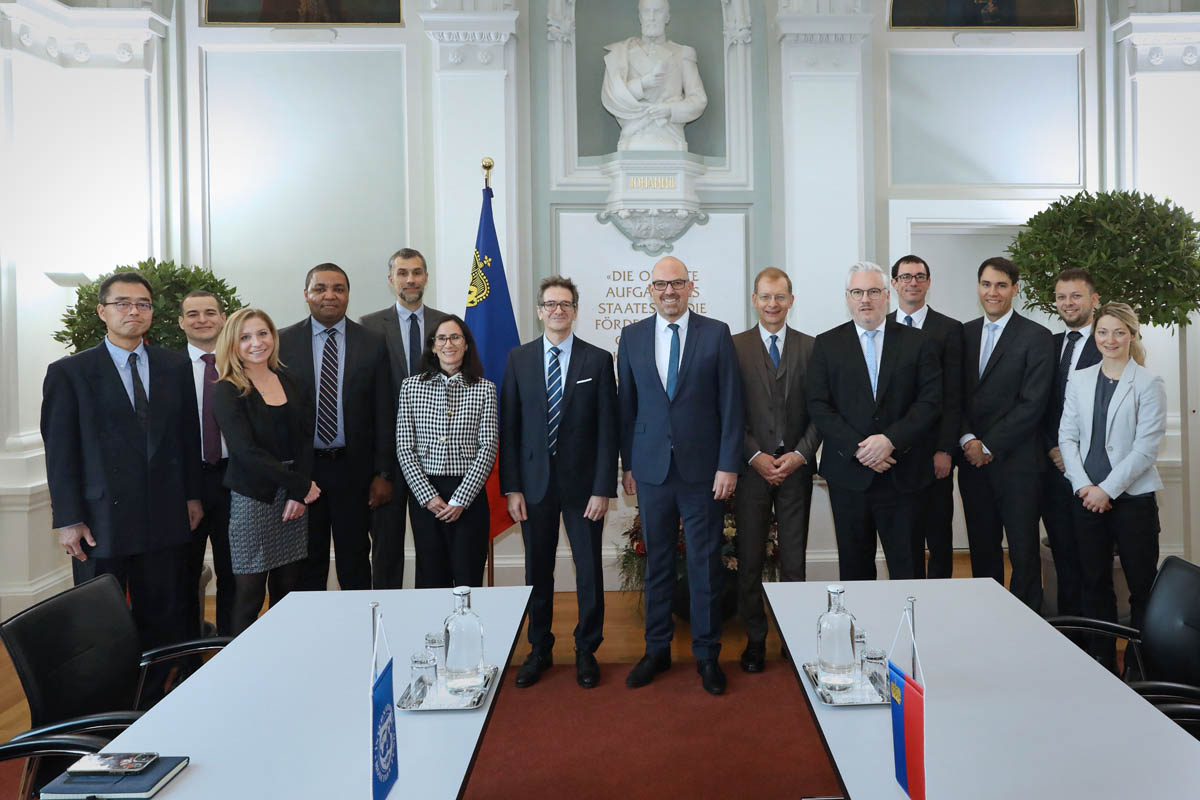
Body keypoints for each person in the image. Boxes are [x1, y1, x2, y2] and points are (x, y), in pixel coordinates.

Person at [41, 272, 203, 663]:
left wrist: (193, 495)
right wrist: (68, 520)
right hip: (100, 521)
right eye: (123, 303)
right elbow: (60, 453)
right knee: (101, 623)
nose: (134, 311)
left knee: (166, 617)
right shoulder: (70, 373)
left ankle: (158, 696)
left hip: (164, 515)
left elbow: (187, 437)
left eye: (143, 304)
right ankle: (108, 706)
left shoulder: (175, 366)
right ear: (102, 311)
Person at [618, 256, 744, 696]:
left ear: (690, 287)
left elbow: (731, 405)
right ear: (649, 290)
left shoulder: (716, 333)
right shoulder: (632, 336)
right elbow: (627, 408)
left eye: (677, 284)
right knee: (656, 563)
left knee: (704, 564)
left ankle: (707, 654)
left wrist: (728, 464)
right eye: (660, 285)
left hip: (702, 471)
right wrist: (627, 465)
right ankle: (656, 651)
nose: (669, 292)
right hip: (651, 470)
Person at [501, 277, 618, 690]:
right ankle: (539, 649)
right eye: (550, 304)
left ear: (574, 310)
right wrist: (511, 488)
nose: (557, 310)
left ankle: (587, 650)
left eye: (565, 304)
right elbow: (509, 428)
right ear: (539, 310)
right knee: (538, 571)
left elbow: (609, 429)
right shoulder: (519, 359)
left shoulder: (598, 360)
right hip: (533, 488)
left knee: (588, 571)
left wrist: (604, 488)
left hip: (584, 489)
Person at [806, 262, 941, 583]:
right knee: (854, 569)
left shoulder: (918, 342)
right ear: (848, 298)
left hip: (904, 473)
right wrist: (859, 448)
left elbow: (930, 401)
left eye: (873, 292)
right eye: (857, 292)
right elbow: (818, 405)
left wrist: (889, 440)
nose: (865, 299)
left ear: (887, 296)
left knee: (907, 567)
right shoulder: (826, 344)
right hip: (849, 477)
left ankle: (908, 633)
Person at [1059, 302, 1166, 670]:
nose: (1110, 339)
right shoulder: (1081, 378)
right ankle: (1101, 661)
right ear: (1095, 335)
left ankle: (1140, 665)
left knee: (1141, 587)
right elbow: (1067, 438)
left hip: (1133, 500)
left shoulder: (1149, 383)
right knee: (1094, 583)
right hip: (1086, 499)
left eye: (1119, 332)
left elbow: (1146, 448)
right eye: (1103, 332)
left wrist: (1108, 489)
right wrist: (1085, 487)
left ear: (1132, 336)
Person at [278, 263, 392, 592]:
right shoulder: (283, 342)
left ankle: (358, 636)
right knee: (307, 562)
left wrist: (383, 473)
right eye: (320, 288)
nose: (330, 295)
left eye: (338, 289)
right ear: (306, 295)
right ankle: (315, 637)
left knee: (355, 560)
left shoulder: (372, 342)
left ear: (347, 295)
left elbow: (384, 410)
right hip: (304, 471)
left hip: (354, 471)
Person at [732, 267, 820, 674]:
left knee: (794, 562)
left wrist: (800, 455)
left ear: (791, 300)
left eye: (780, 297)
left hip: (796, 470)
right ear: (754, 300)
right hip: (752, 471)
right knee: (749, 559)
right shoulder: (734, 347)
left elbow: (821, 412)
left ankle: (794, 638)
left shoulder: (811, 347)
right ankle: (755, 641)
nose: (772, 304)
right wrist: (755, 456)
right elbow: (728, 413)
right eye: (765, 297)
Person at [211, 308, 319, 635]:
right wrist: (299, 484)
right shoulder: (227, 389)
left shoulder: (290, 379)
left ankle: (281, 654)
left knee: (288, 586)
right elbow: (245, 452)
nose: (256, 343)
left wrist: (299, 492)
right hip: (253, 497)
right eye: (245, 337)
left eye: (262, 334)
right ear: (233, 344)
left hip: (295, 495)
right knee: (250, 592)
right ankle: (239, 668)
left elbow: (304, 440)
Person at [958, 256, 1054, 611]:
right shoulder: (962, 334)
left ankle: (1027, 624)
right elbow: (952, 397)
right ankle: (988, 618)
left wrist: (990, 445)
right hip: (972, 464)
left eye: (1001, 285)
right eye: (986, 284)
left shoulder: (1037, 337)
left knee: (1023, 551)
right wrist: (968, 441)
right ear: (978, 287)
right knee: (982, 550)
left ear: (1015, 289)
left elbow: (1033, 403)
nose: (992, 292)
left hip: (1019, 466)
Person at [360, 248, 449, 589]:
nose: (410, 279)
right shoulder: (368, 326)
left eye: (416, 272)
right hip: (386, 457)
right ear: (391, 279)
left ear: (426, 276)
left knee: (434, 546)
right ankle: (387, 617)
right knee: (386, 546)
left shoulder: (446, 324)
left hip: (435, 453)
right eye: (402, 273)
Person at [396, 316, 498, 588]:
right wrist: (428, 497)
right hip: (426, 494)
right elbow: (405, 447)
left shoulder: (485, 389)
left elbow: (487, 447)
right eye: (441, 338)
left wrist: (460, 500)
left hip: (469, 494)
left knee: (468, 574)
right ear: (432, 346)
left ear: (466, 345)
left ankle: (467, 631)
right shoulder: (411, 387)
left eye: (455, 338)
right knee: (431, 575)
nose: (448, 344)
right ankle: (432, 632)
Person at [886, 255, 964, 579]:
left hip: (934, 457)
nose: (912, 282)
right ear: (894, 284)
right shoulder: (881, 327)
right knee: (905, 541)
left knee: (939, 540)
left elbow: (954, 395)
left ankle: (941, 606)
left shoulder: (949, 329)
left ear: (928, 283)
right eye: (905, 277)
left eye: (919, 276)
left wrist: (946, 449)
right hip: (893, 458)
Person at [1040, 268, 1101, 618]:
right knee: (1064, 563)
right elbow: (1039, 405)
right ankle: (1071, 644)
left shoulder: (1108, 341)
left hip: (1094, 477)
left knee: (1093, 568)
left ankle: (1101, 655)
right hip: (1054, 474)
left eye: (1076, 296)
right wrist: (1053, 447)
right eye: (1062, 297)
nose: (1068, 303)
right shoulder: (1048, 345)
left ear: (1094, 299)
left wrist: (1075, 457)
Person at [178, 290, 235, 637]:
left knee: (235, 573)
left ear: (223, 318)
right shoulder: (168, 370)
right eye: (193, 314)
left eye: (210, 312)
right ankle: (186, 657)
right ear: (181, 322)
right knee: (184, 575)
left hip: (234, 480)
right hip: (188, 484)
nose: (202, 319)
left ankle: (231, 647)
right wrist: (185, 491)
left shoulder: (242, 363)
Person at [601, 0, 707, 151]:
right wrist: (642, 84)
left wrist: (669, 110)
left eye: (657, 11)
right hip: (633, 138)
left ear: (667, 17)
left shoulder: (683, 53)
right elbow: (614, 96)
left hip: (670, 139)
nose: (651, 17)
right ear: (640, 16)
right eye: (646, 11)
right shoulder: (622, 54)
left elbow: (698, 100)